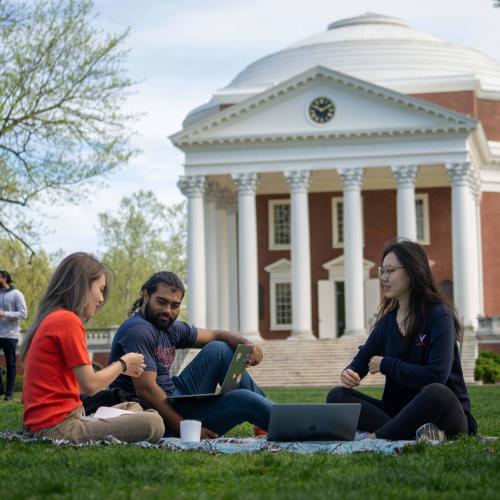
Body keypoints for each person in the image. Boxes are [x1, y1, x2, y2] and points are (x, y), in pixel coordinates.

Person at [326, 239, 477, 441]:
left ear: (413, 271)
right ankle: (414, 432)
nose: (384, 278)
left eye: (391, 270)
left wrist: (387, 364)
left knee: (436, 392)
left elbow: (436, 375)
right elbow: (361, 360)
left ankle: (379, 436)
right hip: (397, 411)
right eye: (382, 271)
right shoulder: (387, 323)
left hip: (445, 413)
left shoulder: (439, 315)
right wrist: (350, 373)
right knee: (337, 396)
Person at [109, 271, 273, 439]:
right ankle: (286, 421)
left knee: (219, 350)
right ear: (146, 295)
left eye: (175, 305)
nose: (167, 310)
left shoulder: (168, 326)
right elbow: (147, 392)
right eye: (162, 302)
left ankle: (268, 419)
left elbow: (214, 335)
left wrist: (247, 344)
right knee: (243, 399)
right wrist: (187, 428)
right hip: (156, 416)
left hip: (174, 397)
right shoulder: (139, 331)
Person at [21, 253, 164, 444]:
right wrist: (123, 363)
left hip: (56, 421)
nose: (101, 298)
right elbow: (90, 385)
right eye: (101, 289)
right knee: (154, 422)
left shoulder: (53, 318)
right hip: (58, 428)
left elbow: (79, 386)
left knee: (133, 407)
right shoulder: (67, 320)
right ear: (82, 286)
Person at [0, 270, 27, 401]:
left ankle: (9, 394)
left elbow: (23, 314)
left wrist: (5, 314)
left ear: (4, 278)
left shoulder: (17, 294)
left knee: (10, 364)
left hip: (10, 335)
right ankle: (0, 389)